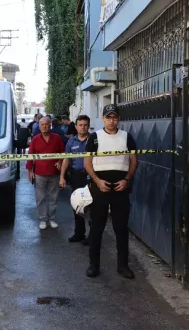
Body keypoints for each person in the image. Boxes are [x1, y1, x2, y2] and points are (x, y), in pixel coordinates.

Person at [84, 104, 138, 279]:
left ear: (119, 119)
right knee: (97, 228)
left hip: (121, 189)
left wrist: (127, 179)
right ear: (103, 118)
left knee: (121, 228)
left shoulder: (126, 137)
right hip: (100, 188)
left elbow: (134, 161)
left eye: (114, 117)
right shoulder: (95, 137)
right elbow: (87, 163)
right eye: (108, 117)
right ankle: (94, 266)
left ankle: (122, 266)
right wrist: (97, 181)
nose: (112, 120)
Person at [26, 116, 65, 230]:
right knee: (40, 198)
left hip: (54, 173)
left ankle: (52, 219)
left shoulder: (57, 138)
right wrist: (30, 171)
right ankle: (42, 220)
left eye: (46, 124)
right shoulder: (35, 139)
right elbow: (30, 156)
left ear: (50, 125)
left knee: (54, 198)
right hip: (39, 174)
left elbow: (63, 152)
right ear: (39, 126)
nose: (44, 126)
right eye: (42, 124)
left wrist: (59, 161)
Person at [60, 115, 91, 245]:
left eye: (85, 125)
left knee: (92, 207)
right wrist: (62, 176)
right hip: (76, 177)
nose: (83, 127)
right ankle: (79, 233)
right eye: (80, 125)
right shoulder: (71, 141)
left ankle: (93, 236)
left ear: (88, 126)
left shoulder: (94, 140)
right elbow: (66, 159)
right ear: (76, 126)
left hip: (91, 177)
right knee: (77, 205)